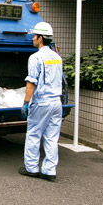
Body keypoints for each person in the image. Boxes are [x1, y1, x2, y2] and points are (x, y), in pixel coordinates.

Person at [18, 22, 63, 182]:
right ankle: (50, 171)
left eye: (34, 36)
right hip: (56, 103)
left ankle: (31, 168)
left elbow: (31, 83)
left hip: (42, 102)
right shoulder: (57, 57)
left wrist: (25, 102)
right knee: (51, 137)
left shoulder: (35, 57)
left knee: (34, 134)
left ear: (41, 38)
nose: (32, 38)